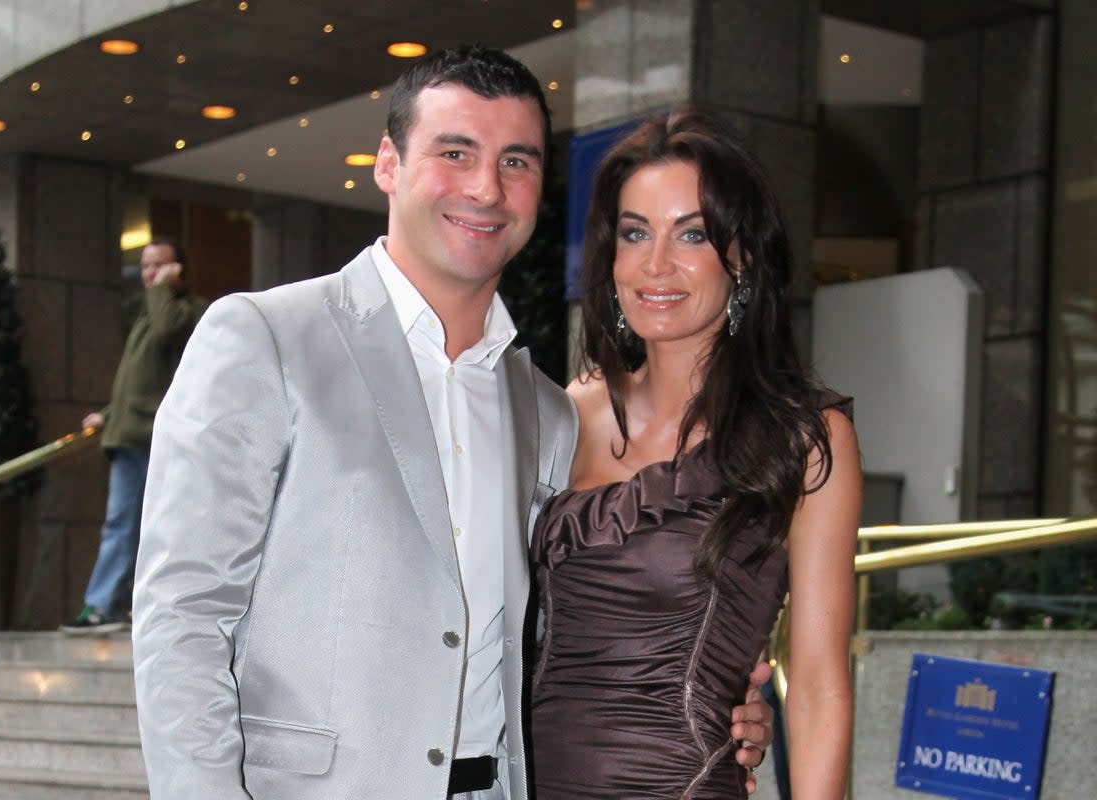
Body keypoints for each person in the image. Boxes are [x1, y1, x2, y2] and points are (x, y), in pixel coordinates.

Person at [131, 48, 771, 800]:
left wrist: (707, 701)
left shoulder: (548, 409)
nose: (485, 188)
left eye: (517, 161)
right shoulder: (265, 338)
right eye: (455, 152)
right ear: (388, 164)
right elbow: (182, 618)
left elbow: (551, 635)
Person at [530, 107, 862, 799]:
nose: (656, 264)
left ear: (742, 256)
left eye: (692, 235)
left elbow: (822, 687)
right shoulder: (569, 409)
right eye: (634, 234)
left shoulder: (805, 437)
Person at [61, 238, 206, 635]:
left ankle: (103, 604)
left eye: (159, 266)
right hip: (131, 433)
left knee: (132, 524)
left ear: (179, 269)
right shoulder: (150, 311)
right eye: (145, 267)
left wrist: (163, 290)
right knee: (127, 523)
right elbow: (141, 381)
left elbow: (165, 336)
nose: (150, 275)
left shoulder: (185, 312)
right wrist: (108, 415)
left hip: (153, 436)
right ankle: (107, 603)